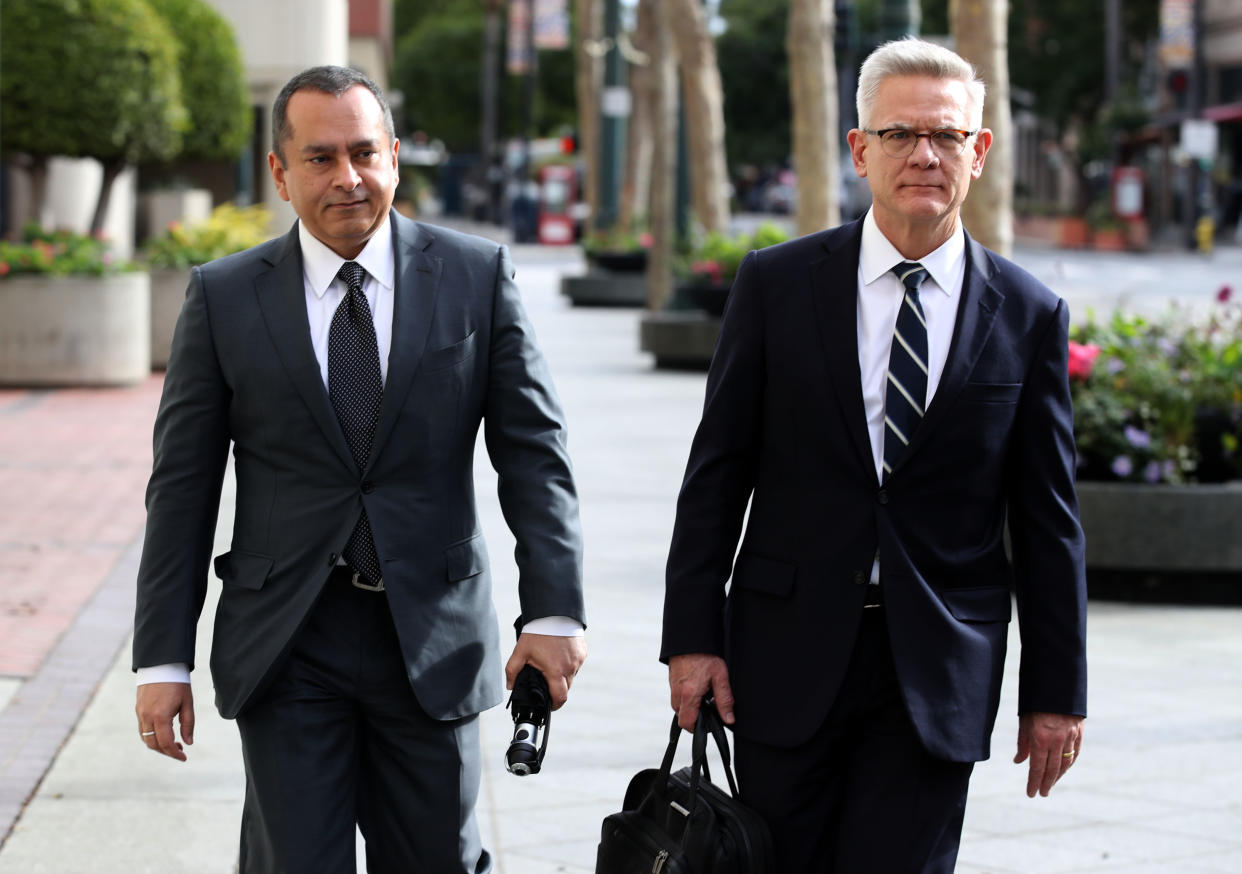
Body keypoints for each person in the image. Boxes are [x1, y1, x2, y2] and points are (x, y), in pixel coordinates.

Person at [132, 65, 586, 873]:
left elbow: (534, 454)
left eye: (364, 153)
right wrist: (163, 659)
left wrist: (552, 613)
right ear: (279, 171)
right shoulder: (224, 297)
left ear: (395, 158)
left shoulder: (476, 277)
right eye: (319, 158)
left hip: (432, 639)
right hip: (288, 641)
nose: (348, 178)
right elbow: (183, 489)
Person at [661, 38, 1086, 873]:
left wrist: (1056, 694)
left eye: (947, 136)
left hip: (936, 670)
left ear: (980, 151)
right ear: (859, 150)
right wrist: (691, 639)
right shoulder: (776, 286)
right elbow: (716, 475)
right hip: (782, 659)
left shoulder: (1029, 314)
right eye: (899, 135)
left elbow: (1049, 524)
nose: (924, 154)